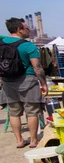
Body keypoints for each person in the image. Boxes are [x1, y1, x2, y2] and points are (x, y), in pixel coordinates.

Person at [0, 18, 47, 148]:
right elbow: (37, 67)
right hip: (28, 81)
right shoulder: (28, 45)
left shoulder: (1, 44)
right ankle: (33, 140)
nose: (28, 31)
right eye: (26, 28)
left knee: (14, 112)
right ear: (19, 30)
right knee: (32, 111)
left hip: (8, 82)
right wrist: (43, 83)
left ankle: (19, 141)